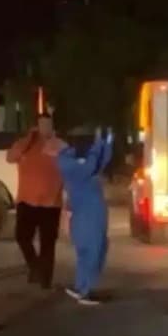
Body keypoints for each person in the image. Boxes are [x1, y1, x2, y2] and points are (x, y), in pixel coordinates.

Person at [48, 128, 113, 305]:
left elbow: (100, 162)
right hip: (85, 213)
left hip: (92, 211)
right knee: (91, 251)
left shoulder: (76, 157)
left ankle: (82, 287)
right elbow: (89, 167)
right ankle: (85, 291)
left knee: (94, 250)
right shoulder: (66, 161)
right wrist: (97, 145)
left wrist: (106, 143)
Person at [6, 113, 64, 289]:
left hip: (51, 202)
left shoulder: (60, 146)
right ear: (36, 126)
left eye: (48, 124)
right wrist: (29, 138)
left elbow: (71, 168)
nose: (44, 128)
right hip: (26, 200)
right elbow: (10, 157)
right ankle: (35, 267)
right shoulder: (26, 144)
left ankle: (45, 280)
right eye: (41, 124)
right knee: (22, 237)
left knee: (48, 243)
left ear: (53, 126)